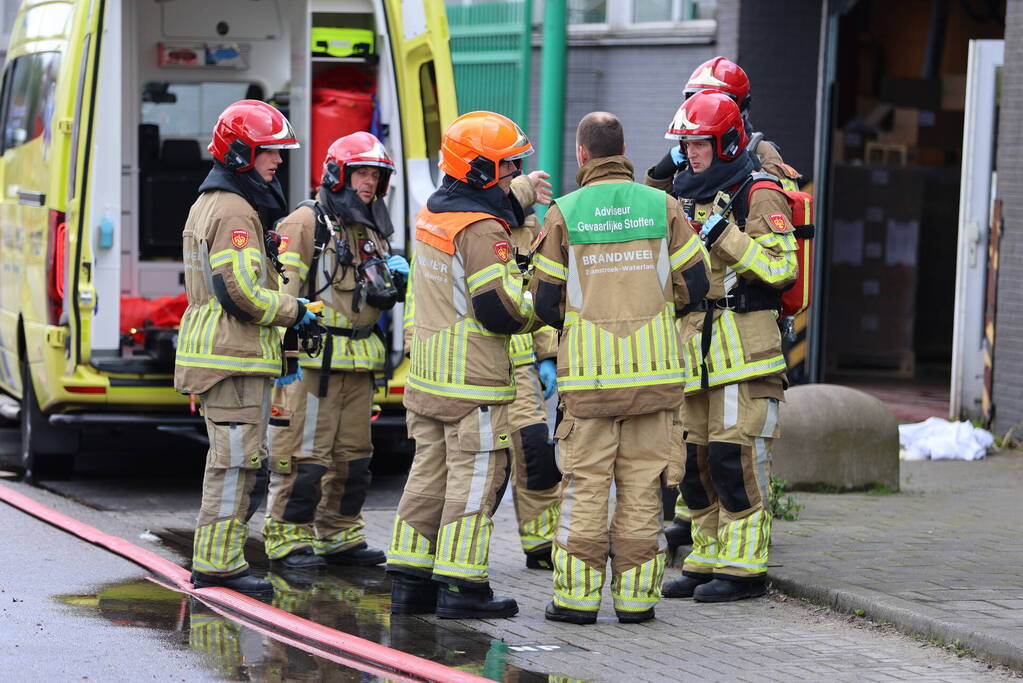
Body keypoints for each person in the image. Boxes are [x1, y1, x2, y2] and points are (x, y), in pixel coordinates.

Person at [530, 112, 710, 624]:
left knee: (585, 488)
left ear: (583, 155)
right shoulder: (664, 206)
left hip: (589, 386)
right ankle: (635, 601)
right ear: (624, 150)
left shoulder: (563, 213)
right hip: (654, 381)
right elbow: (696, 285)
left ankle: (577, 600)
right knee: (642, 490)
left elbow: (544, 302)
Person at [385, 111, 541, 619]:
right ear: (478, 171)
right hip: (472, 380)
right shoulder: (480, 230)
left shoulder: (433, 214)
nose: (514, 175)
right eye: (507, 167)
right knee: (476, 477)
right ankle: (462, 586)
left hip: (429, 375)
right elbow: (500, 309)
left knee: (428, 473)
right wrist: (539, 298)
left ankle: (410, 579)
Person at [647, 55, 802, 554]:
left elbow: (782, 268)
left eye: (697, 143)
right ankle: (706, 558)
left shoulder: (758, 182)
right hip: (696, 349)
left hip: (745, 345)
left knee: (735, 462)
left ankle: (742, 566)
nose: (688, 153)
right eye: (685, 142)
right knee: (695, 466)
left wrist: (727, 237)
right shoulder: (689, 187)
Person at [175, 100, 312, 596]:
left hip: (226, 355)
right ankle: (219, 563)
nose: (277, 161)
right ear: (239, 154)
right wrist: (294, 310)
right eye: (269, 152)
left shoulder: (213, 201)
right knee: (235, 462)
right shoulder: (233, 210)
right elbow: (239, 292)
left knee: (235, 459)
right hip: (229, 356)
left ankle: (220, 558)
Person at [262, 132, 408, 572]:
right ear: (337, 173)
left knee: (354, 459)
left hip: (359, 366)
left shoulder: (369, 228)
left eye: (376, 175)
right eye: (361, 172)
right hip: (311, 364)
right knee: (305, 460)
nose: (369, 183)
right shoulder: (305, 223)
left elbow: (373, 293)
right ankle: (288, 539)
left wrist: (395, 282)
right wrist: (283, 360)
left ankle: (340, 535)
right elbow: (281, 294)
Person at [506, 171, 561, 570]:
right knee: (479, 465)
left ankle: (542, 544)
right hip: (467, 364)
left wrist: (548, 356)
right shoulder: (457, 213)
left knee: (535, 449)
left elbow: (539, 291)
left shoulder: (530, 225)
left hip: (520, 360)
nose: (514, 174)